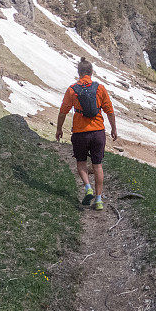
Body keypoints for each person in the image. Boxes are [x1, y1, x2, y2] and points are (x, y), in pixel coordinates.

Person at [56, 57, 117, 210]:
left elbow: (63, 112)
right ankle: (98, 200)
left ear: (79, 72)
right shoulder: (100, 88)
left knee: (81, 162)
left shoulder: (72, 90)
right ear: (91, 72)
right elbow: (109, 111)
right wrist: (114, 129)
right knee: (97, 165)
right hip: (98, 132)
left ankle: (88, 187)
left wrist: (59, 129)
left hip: (80, 133)